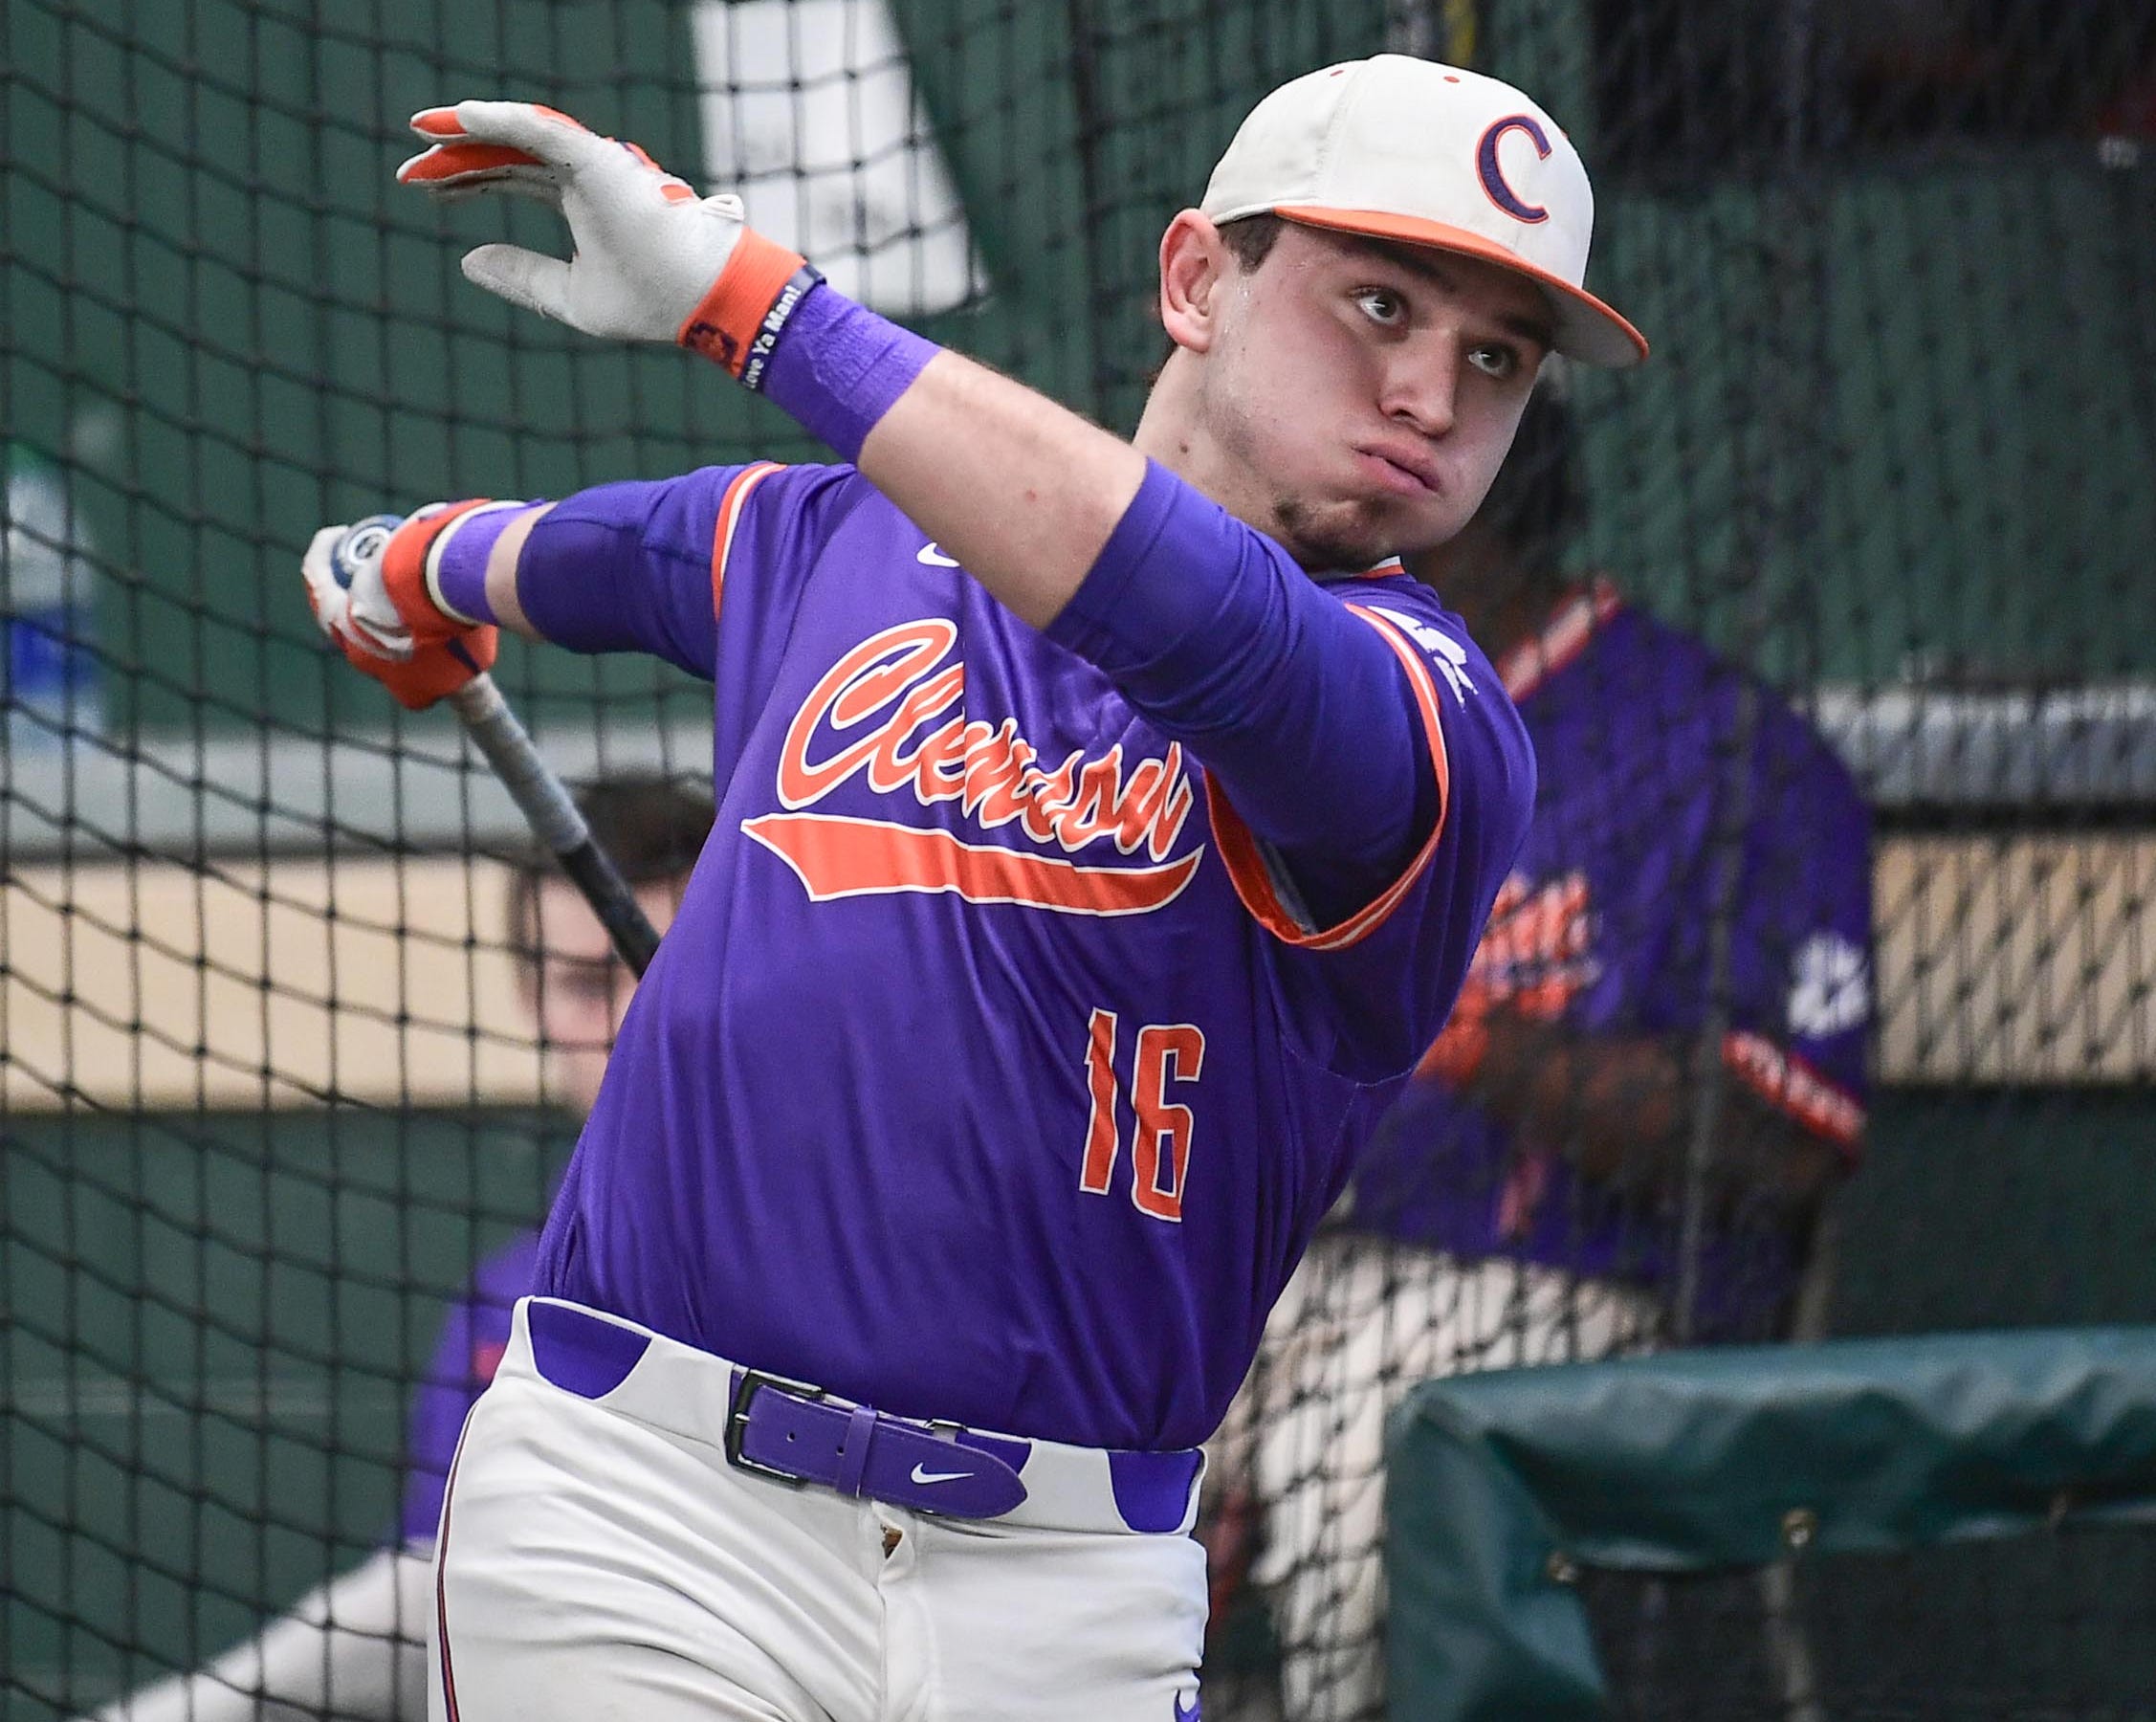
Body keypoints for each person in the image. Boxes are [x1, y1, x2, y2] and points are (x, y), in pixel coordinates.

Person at [298, 55, 1647, 1721]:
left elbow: (1191, 615)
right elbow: (605, 553)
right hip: (645, 1509)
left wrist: (756, 306)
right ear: (1193, 281)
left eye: (1493, 359)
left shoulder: (1423, 725)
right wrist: (415, 568)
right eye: (1375, 303)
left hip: (1064, 1587)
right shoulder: (834, 543)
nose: (1430, 395)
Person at [1213, 383, 1875, 1721]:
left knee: (1367, 1482)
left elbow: (1781, 1143)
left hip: (1576, 1303)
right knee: (1026, 1403)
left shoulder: (1720, 749)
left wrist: (1456, 1030)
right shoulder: (1286, 714)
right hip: (1280, 1271)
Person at [86, 777, 715, 1722]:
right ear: (527, 997)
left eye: (657, 969)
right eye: (584, 985)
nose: (626, 1020)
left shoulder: (879, 1239)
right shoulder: (509, 1310)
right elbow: (428, 1600)